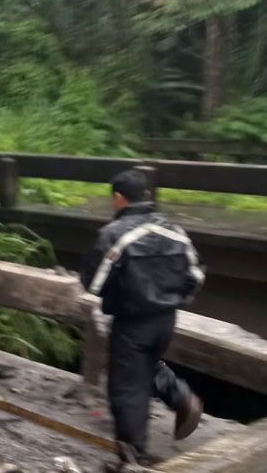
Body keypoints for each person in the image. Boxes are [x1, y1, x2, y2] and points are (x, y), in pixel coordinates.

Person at [82, 169, 204, 470]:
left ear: (118, 198)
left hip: (132, 321)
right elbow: (196, 275)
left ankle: (134, 460)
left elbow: (93, 284)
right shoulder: (175, 231)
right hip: (166, 320)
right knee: (143, 367)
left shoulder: (113, 235)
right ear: (146, 196)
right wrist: (173, 300)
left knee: (125, 388)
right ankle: (182, 399)